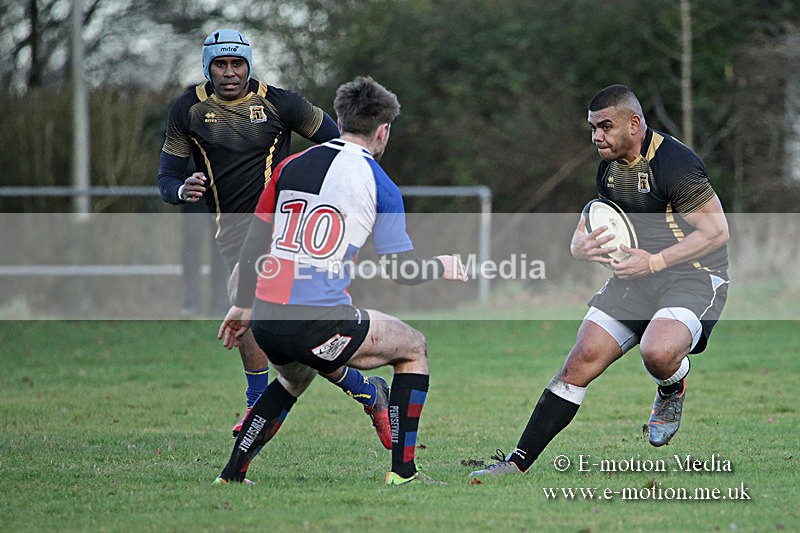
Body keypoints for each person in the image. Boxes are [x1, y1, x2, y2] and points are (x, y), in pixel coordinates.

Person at [214, 76, 468, 486]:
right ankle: (404, 472)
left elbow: (254, 244)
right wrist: (442, 264)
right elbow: (403, 272)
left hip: (267, 319)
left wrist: (243, 304)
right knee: (413, 346)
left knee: (292, 378)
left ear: (339, 119)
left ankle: (232, 475)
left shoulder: (289, 166)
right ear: (383, 131)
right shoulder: (379, 183)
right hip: (318, 321)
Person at [471, 84, 730, 477]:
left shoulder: (676, 164)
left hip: (692, 278)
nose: (597, 137)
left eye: (605, 127)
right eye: (593, 128)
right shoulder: (609, 168)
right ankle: (516, 464)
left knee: (658, 353)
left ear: (634, 123)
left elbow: (716, 231)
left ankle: (672, 386)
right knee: (578, 364)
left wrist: (655, 261)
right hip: (635, 278)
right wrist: (580, 244)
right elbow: (598, 217)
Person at [158, 29, 389, 444]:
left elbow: (340, 144)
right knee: (291, 328)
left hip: (281, 227)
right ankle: (367, 392)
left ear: (249, 64)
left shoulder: (282, 104)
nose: (229, 73)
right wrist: (180, 189)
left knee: (249, 307)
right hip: (230, 229)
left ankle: (255, 402)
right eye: (221, 65)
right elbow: (167, 176)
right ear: (207, 67)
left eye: (237, 64)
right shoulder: (187, 110)